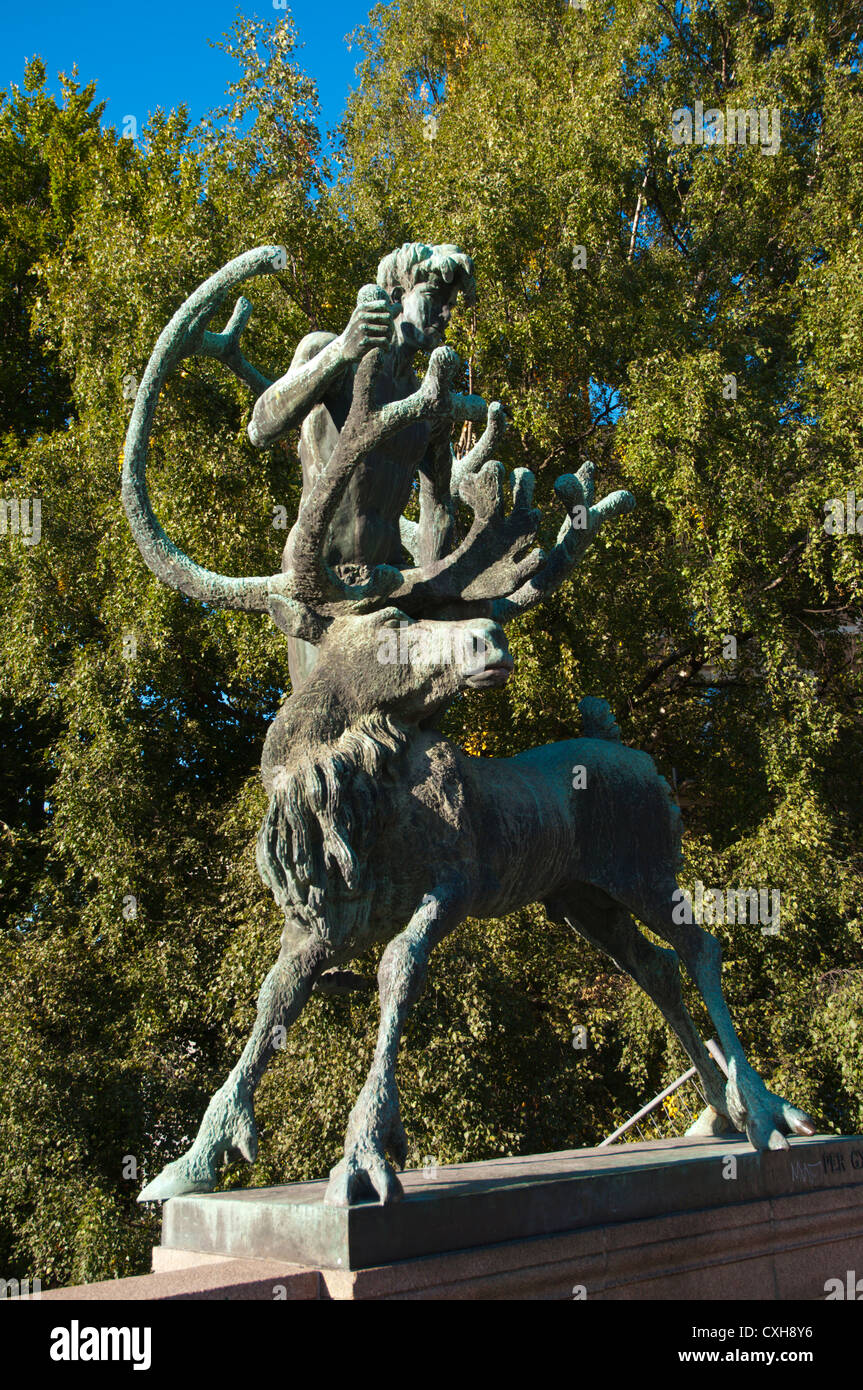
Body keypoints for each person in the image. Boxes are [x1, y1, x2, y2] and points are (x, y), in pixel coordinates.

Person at [248, 242, 477, 686]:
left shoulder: (427, 401)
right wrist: (341, 351)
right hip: (318, 577)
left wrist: (434, 591)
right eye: (436, 299)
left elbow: (438, 506)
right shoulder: (328, 350)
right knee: (322, 711)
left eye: (451, 304)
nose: (446, 315)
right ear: (397, 296)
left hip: (387, 584)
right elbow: (261, 426)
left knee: (399, 719)